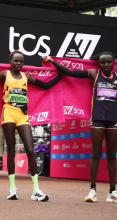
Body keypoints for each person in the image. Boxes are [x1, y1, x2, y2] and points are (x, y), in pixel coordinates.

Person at [43, 52, 117, 203]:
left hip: (113, 121)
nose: (106, 65)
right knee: (95, 153)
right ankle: (92, 191)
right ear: (99, 64)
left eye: (109, 62)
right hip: (97, 119)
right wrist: (53, 61)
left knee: (111, 155)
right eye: (103, 62)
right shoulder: (94, 73)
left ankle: (112, 192)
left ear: (113, 63)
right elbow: (69, 72)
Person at [0, 50, 62, 201]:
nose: (19, 63)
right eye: (16, 61)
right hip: (8, 111)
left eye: (21, 61)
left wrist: (62, 74)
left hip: (22, 115)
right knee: (10, 150)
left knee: (30, 149)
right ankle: (12, 190)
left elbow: (46, 85)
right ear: (10, 62)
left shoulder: (26, 76)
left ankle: (36, 190)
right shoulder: (4, 74)